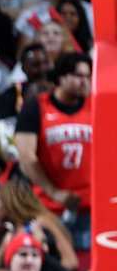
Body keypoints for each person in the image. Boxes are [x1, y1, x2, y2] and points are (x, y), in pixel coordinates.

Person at [14, 52, 92, 248]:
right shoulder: (35, 107)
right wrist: (54, 192)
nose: (84, 82)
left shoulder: (97, 106)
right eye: (78, 76)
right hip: (48, 206)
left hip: (90, 207)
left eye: (88, 76)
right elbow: (26, 157)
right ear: (61, 77)